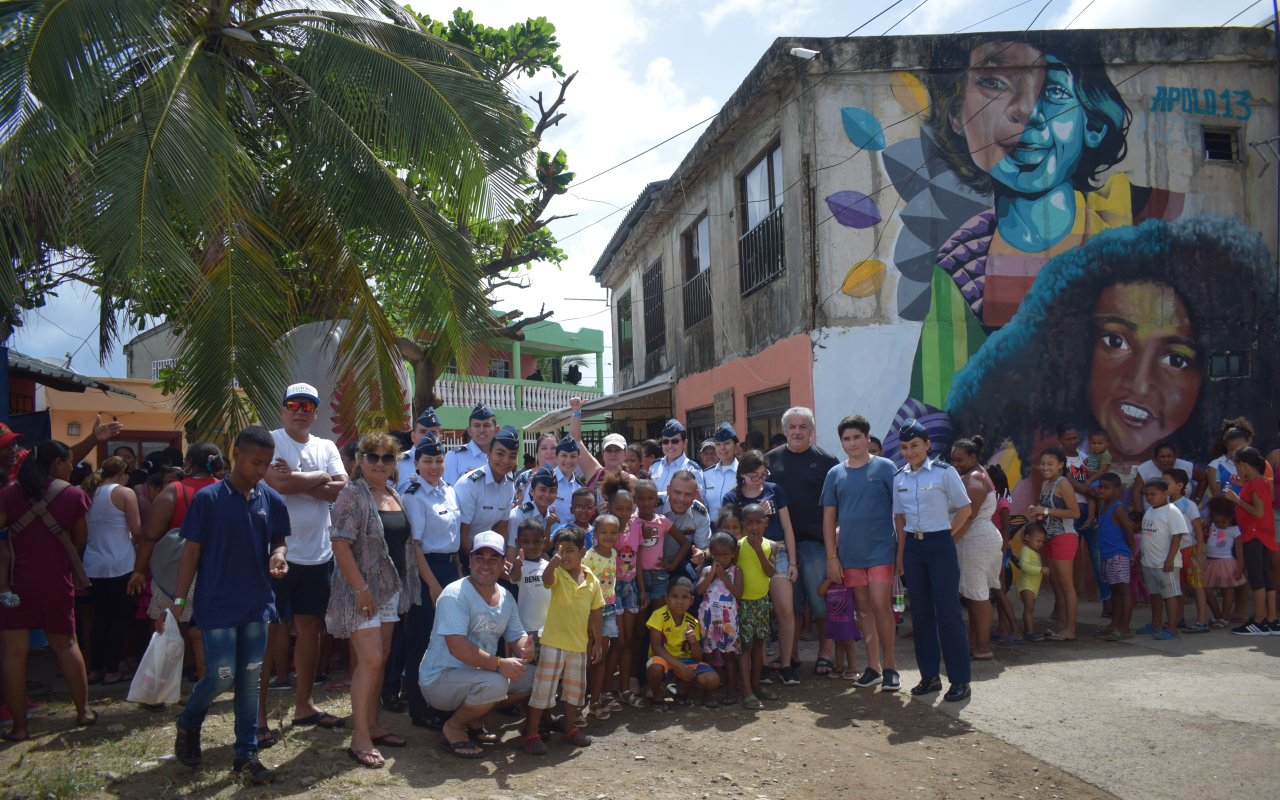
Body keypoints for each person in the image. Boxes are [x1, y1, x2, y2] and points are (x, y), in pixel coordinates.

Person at [947, 216, 1279, 470]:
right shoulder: (1023, 460)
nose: (1139, 381)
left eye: (1176, 360)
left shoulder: (1199, 473)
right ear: (1075, 349)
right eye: (1116, 341)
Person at [169, 426, 289, 784]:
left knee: (251, 679)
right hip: (217, 603)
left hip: (257, 604)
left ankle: (245, 755)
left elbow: (279, 540)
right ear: (235, 454)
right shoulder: (207, 499)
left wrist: (279, 556)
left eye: (267, 464)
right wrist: (179, 601)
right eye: (256, 462)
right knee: (221, 676)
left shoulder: (272, 499)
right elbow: (190, 553)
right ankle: (189, 720)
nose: (261, 470)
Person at [326, 433, 417, 767]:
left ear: (394, 463)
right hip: (359, 591)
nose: (380, 463)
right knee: (372, 660)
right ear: (360, 460)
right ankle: (359, 738)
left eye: (387, 458)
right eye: (373, 457)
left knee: (383, 657)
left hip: (389, 591)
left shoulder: (393, 494)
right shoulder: (352, 493)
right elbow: (340, 544)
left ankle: (374, 725)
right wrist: (361, 588)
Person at [263, 383, 347, 732]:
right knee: (268, 631)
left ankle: (305, 706)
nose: (300, 411)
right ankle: (257, 717)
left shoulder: (326, 446)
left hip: (318, 555)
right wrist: (321, 477)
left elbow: (342, 488)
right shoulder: (271, 441)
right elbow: (277, 484)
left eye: (308, 406)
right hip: (277, 552)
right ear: (283, 409)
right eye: (294, 405)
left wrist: (298, 480)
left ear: (316, 412)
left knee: (310, 629)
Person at [0, 440, 98, 741]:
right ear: (57, 463)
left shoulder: (8, 494)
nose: (71, 468)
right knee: (66, 645)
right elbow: (80, 540)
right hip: (56, 581)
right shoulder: (73, 494)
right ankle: (83, 712)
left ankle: (19, 727)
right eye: (69, 462)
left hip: (14, 583)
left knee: (13, 653)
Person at [418, 531, 534, 759]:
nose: (486, 565)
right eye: (480, 558)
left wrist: (525, 648)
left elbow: (516, 635)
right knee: (496, 682)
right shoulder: (455, 594)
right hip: (439, 680)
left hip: (479, 674)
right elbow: (457, 647)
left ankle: (474, 715)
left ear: (503, 563)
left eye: (493, 559)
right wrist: (500, 664)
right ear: (470, 561)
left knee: (534, 678)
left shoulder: (506, 596)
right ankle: (454, 726)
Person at [128, 443, 224, 694]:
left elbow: (149, 535)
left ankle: (158, 688)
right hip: (217, 572)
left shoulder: (175, 490)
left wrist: (138, 570)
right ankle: (207, 687)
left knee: (165, 624)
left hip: (175, 570)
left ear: (189, 463)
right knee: (202, 631)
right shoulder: (227, 489)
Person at [892, 418, 974, 702]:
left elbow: (965, 509)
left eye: (915, 445)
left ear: (927, 445)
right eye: (904, 447)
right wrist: (901, 555)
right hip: (913, 550)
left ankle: (960, 680)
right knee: (921, 615)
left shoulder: (944, 472)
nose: (909, 452)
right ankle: (929, 676)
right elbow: (900, 518)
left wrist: (947, 536)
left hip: (940, 546)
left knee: (949, 614)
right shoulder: (899, 478)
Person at [821, 414, 900, 690]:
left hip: (881, 550)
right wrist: (832, 557)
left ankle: (890, 668)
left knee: (880, 604)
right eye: (846, 439)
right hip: (850, 554)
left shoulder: (886, 467)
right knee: (863, 609)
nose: (852, 443)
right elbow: (828, 520)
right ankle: (874, 668)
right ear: (841, 442)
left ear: (868, 438)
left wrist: (901, 553)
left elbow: (901, 512)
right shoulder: (835, 474)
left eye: (857, 437)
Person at [766, 407, 839, 678]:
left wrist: (837, 534)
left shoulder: (827, 461)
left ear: (811, 430)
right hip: (782, 547)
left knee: (821, 604)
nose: (797, 432)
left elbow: (839, 500)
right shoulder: (770, 460)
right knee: (791, 606)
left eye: (803, 426)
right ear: (784, 430)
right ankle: (792, 654)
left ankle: (825, 654)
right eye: (792, 427)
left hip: (817, 543)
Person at [523, 525, 603, 755]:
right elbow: (546, 579)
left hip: (578, 646)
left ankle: (569, 730)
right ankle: (531, 733)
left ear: (583, 551)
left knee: (574, 692)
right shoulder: (557, 573)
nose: (564, 555)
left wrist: (597, 643)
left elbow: (596, 613)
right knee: (543, 690)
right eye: (559, 550)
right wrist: (553, 562)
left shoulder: (592, 580)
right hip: (553, 644)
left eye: (569, 550)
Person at [722, 449, 800, 683]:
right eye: (754, 475)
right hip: (746, 555)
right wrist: (755, 515)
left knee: (785, 610)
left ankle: (786, 665)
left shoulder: (775, 490)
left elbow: (787, 527)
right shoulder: (731, 497)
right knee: (756, 612)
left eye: (763, 474)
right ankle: (762, 665)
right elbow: (730, 534)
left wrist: (793, 561)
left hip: (778, 551)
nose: (760, 480)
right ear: (742, 474)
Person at [81, 457, 142, 686]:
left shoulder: (88, 492)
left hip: (92, 564)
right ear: (122, 474)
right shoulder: (125, 493)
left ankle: (95, 669)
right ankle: (113, 670)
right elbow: (137, 531)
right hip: (120, 563)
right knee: (119, 617)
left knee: (100, 617)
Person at [948, 436, 1004, 661]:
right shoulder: (977, 474)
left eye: (959, 460)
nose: (955, 464)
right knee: (973, 594)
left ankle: (982, 647)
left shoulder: (973, 478)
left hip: (975, 540)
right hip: (977, 540)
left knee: (978, 595)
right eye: (952, 460)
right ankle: (974, 643)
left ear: (973, 457)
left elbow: (968, 516)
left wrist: (948, 543)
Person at [1028, 447, 1082, 641]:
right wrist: (1038, 512)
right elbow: (1046, 510)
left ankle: (1070, 629)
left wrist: (1046, 511)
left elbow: (1075, 513)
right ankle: (1060, 625)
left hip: (1064, 537)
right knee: (1056, 584)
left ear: (1061, 465)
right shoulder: (1045, 484)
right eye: (1042, 463)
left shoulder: (1063, 483)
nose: (1045, 467)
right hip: (1050, 538)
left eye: (1050, 464)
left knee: (1066, 584)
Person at [602, 475, 646, 707]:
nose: (624, 513)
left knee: (628, 640)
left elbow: (637, 560)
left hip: (630, 589)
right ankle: (605, 690)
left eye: (629, 508)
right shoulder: (606, 529)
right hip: (611, 589)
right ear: (609, 507)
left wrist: (641, 589)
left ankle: (624, 689)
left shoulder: (636, 527)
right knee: (616, 642)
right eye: (619, 508)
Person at [1224, 447, 1277, 634]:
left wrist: (1236, 499)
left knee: (1256, 578)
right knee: (1265, 576)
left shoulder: (1255, 482)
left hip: (1254, 535)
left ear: (1243, 465)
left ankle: (1259, 621)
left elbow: (1258, 511)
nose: (1237, 470)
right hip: (1261, 534)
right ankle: (1271, 620)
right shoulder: (1259, 480)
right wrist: (1243, 484)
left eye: (1237, 466)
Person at [646, 576, 719, 707]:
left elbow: (697, 657)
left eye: (685, 597)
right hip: (664, 661)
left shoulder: (693, 622)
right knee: (655, 668)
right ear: (666, 599)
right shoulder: (658, 615)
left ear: (692, 601)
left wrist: (694, 642)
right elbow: (656, 647)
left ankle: (682, 687)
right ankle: (658, 695)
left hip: (685, 662)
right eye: (674, 596)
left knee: (713, 680)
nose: (679, 601)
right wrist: (681, 667)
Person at [0, 415, 123, 489]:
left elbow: (62, 460)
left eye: (14, 444)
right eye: (4, 447)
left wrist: (94, 438)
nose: (13, 450)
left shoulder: (23, 459)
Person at [455, 425, 519, 562]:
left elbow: (501, 531)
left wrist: (499, 561)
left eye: (512, 456)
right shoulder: (470, 484)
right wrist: (485, 563)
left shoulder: (508, 484)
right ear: (489, 455)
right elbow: (461, 536)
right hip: (463, 555)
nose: (506, 461)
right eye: (500, 454)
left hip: (489, 554)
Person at [1134, 477, 1188, 640]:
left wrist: (1170, 559)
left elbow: (1177, 536)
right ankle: (1156, 623)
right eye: (1146, 494)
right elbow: (1147, 536)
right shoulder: (1150, 511)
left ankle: (1172, 628)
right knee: (1155, 594)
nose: (1149, 498)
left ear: (1165, 493)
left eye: (1153, 494)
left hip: (1165, 563)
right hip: (1149, 562)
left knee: (1169, 594)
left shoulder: (1172, 511)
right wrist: (1140, 555)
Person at [736, 504, 776, 710]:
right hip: (742, 603)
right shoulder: (738, 546)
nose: (754, 527)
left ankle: (756, 685)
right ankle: (746, 691)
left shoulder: (771, 545)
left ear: (766, 523)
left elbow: (770, 572)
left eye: (759, 522)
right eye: (749, 523)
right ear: (743, 525)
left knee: (760, 644)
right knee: (746, 646)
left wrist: (759, 550)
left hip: (761, 602)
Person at [695, 531, 742, 706]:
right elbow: (699, 590)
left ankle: (730, 691)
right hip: (708, 621)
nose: (721, 559)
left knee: (729, 657)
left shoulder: (736, 571)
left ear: (733, 554)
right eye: (716, 555)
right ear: (711, 554)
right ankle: (707, 694)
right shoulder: (706, 570)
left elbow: (739, 593)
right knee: (708, 656)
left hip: (728, 620)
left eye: (725, 555)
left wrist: (723, 576)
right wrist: (712, 574)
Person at [583, 515, 620, 719]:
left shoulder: (614, 553)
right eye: (603, 532)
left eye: (613, 532)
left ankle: (595, 701)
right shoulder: (588, 557)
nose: (609, 536)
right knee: (586, 658)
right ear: (595, 533)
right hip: (590, 612)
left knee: (601, 655)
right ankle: (578, 703)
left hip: (608, 610)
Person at [634, 478, 689, 612]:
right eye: (641, 499)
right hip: (636, 577)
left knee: (659, 617)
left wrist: (672, 565)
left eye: (650, 498)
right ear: (634, 499)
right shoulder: (631, 522)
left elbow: (685, 543)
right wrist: (640, 536)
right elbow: (628, 548)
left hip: (659, 577)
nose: (646, 503)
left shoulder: (663, 522)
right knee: (640, 619)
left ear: (656, 499)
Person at [1164, 468, 1208, 633]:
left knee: (1197, 585)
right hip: (1173, 552)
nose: (1163, 486)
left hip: (1189, 550)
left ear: (1179, 485)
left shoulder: (1189, 505)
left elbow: (1198, 530)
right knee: (1179, 586)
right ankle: (1179, 618)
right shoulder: (1164, 504)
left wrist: (1199, 554)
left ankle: (1202, 621)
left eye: (1167, 483)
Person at [1094, 474, 1137, 641]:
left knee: (1123, 590)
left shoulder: (1118, 508)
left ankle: (1125, 628)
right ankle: (1114, 624)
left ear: (1117, 490)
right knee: (1114, 590)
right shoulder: (1103, 507)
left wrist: (1132, 554)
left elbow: (1129, 532)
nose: (1102, 491)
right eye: (1100, 487)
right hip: (1106, 555)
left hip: (1118, 555)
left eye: (1107, 488)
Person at [657, 471, 710, 585]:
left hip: (680, 562)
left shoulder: (700, 513)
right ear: (668, 489)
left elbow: (704, 548)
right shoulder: (652, 503)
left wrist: (702, 555)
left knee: (690, 585)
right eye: (677, 492)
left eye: (688, 494)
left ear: (695, 495)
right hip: (648, 562)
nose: (681, 499)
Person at [1202, 497, 1247, 627]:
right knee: (1206, 591)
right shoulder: (1213, 527)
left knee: (1226, 591)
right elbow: (1208, 540)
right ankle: (1218, 616)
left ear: (1230, 517)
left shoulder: (1235, 530)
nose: (1220, 524)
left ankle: (1224, 618)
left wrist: (1240, 568)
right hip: (1210, 563)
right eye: (1217, 522)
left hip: (1226, 563)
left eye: (1224, 521)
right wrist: (1208, 523)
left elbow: (1239, 550)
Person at [1133, 441, 1207, 512]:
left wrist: (1197, 500)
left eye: (1170, 456)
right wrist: (1139, 514)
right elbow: (1137, 491)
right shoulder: (1145, 468)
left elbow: (1203, 479)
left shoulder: (1186, 466)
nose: (1166, 460)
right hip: (1153, 513)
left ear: (1175, 456)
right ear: (1155, 458)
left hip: (1183, 512)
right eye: (1162, 457)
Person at [508, 466, 557, 561]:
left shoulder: (552, 519)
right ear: (531, 491)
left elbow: (544, 550)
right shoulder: (518, 516)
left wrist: (549, 526)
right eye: (542, 490)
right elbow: (510, 556)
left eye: (552, 491)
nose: (547, 495)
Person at [817, 573, 861, 679]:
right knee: (838, 643)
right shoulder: (827, 581)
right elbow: (820, 592)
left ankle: (852, 668)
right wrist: (830, 579)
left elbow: (859, 600)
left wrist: (860, 616)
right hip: (834, 620)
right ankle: (839, 667)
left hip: (848, 620)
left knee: (848, 644)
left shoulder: (850, 581)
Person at [444, 403, 498, 485]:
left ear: (496, 430)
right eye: (477, 426)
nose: (481, 430)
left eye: (487, 425)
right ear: (469, 431)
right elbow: (449, 491)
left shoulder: (501, 458)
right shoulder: (455, 457)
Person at [395, 408, 442, 495]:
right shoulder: (397, 463)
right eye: (422, 432)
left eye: (433, 433)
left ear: (441, 439)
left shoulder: (446, 465)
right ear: (413, 437)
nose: (427, 436)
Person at [700, 423, 740, 523]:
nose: (722, 448)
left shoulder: (743, 472)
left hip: (735, 528)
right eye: (718, 444)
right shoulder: (706, 474)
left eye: (727, 443)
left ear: (736, 446)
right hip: (711, 527)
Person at [1015, 524, 1047, 641]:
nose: (1040, 544)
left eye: (1042, 541)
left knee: (1030, 609)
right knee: (1028, 609)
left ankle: (1029, 629)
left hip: (1033, 586)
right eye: (1038, 541)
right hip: (1026, 585)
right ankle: (1029, 632)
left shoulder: (1034, 551)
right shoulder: (1026, 550)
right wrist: (1040, 569)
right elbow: (1024, 566)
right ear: (1027, 537)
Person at [650, 420, 701, 493]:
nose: (670, 446)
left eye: (675, 441)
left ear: (685, 443)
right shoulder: (655, 466)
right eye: (665, 441)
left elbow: (700, 499)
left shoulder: (692, 470)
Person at [512, 433, 557, 506]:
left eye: (553, 448)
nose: (549, 452)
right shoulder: (524, 478)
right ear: (536, 453)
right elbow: (514, 508)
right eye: (544, 448)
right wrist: (528, 488)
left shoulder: (565, 477)